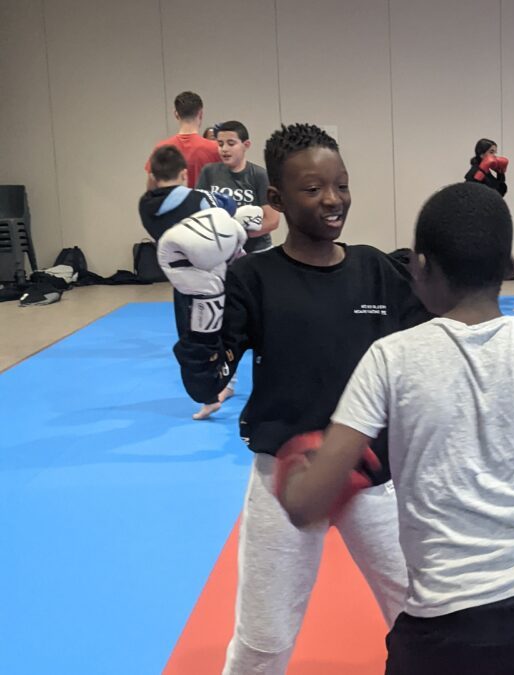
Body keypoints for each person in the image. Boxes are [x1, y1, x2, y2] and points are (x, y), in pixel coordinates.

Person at [276, 181, 514, 674]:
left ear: (421, 265)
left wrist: (296, 470)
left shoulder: (390, 359)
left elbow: (307, 505)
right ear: (507, 266)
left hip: (447, 638)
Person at [172, 123, 429, 672]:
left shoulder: (377, 271)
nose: (332, 200)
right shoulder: (252, 278)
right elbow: (207, 380)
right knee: (263, 639)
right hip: (281, 479)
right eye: (313, 189)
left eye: (341, 184)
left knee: (423, 618)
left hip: (371, 478)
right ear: (276, 199)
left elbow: (439, 341)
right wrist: (195, 299)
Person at [138, 145, 259, 420]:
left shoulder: (146, 206)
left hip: (184, 283)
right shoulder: (201, 199)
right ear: (183, 173)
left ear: (153, 175)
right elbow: (229, 210)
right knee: (226, 333)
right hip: (218, 278)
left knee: (195, 339)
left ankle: (213, 392)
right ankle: (222, 386)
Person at [197, 120, 280, 253]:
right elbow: (199, 212)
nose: (224, 149)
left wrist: (239, 234)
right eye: (220, 144)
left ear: (246, 145)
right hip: (222, 252)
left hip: (256, 252)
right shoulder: (209, 172)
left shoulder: (259, 175)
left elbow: (272, 221)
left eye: (231, 143)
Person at [144, 91, 220, 190]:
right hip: (206, 204)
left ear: (176, 114)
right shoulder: (216, 149)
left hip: (172, 204)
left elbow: (151, 186)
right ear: (200, 114)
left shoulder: (161, 149)